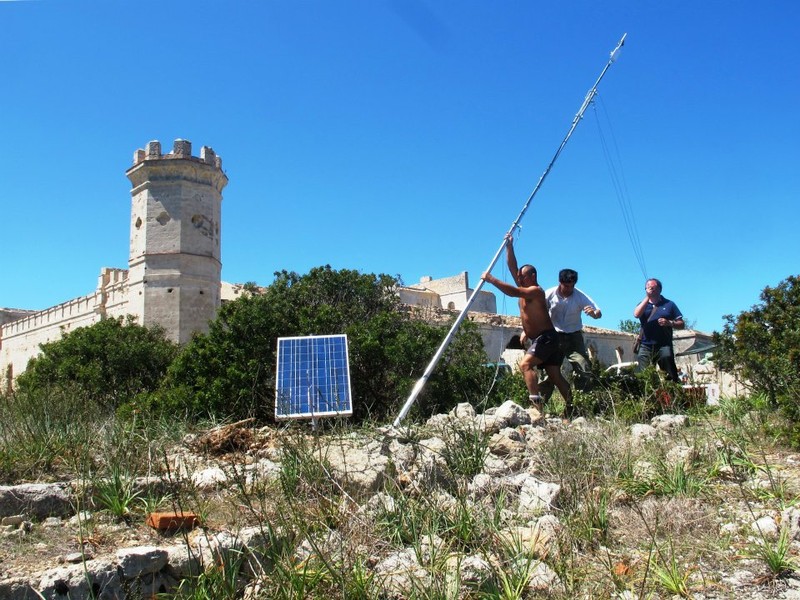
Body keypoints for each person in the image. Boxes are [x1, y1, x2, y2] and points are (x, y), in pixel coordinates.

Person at [482, 235, 573, 416]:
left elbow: (514, 292)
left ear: (532, 276)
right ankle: (572, 407)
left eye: (522, 277)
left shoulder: (535, 291)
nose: (519, 278)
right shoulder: (525, 287)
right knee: (554, 375)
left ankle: (537, 407)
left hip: (546, 338)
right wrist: (509, 247)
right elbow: (512, 267)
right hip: (543, 338)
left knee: (525, 365)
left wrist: (492, 280)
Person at [537, 269, 602, 399]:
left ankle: (583, 402)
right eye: (566, 286)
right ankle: (540, 403)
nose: (569, 289)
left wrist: (594, 313)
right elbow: (538, 312)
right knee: (549, 370)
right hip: (553, 335)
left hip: (574, 337)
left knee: (582, 366)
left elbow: (598, 312)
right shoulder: (549, 294)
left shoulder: (580, 296)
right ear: (560, 282)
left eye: (572, 286)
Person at [633, 278, 684, 382]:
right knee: (643, 375)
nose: (650, 289)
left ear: (659, 289)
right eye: (648, 287)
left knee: (669, 374)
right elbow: (636, 314)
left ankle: (673, 392)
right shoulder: (643, 304)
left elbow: (681, 324)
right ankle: (647, 394)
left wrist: (670, 323)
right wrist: (647, 297)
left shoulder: (669, 304)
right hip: (646, 345)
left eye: (653, 287)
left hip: (664, 345)